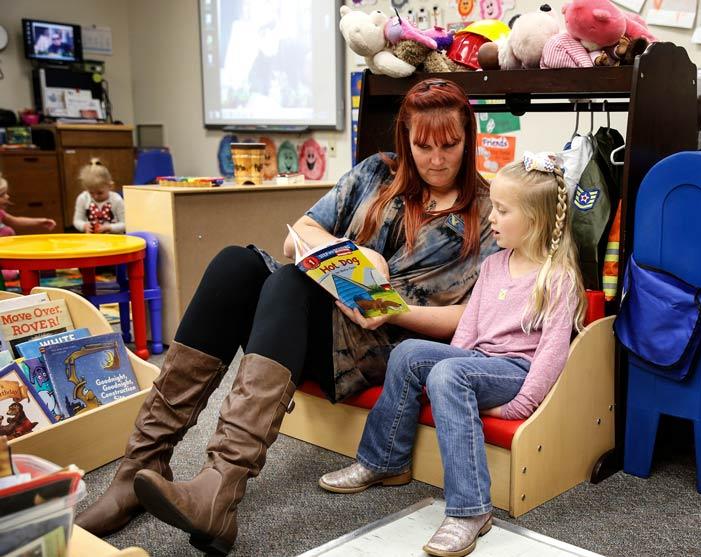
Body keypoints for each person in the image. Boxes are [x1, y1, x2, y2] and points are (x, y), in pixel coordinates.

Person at [76, 78, 498, 556]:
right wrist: (354, 254)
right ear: (406, 140)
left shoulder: (485, 211)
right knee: (235, 264)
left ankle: (221, 484)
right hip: (316, 316)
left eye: (449, 145)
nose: (436, 159)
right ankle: (139, 467)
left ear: (469, 139)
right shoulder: (376, 174)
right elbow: (298, 234)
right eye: (423, 146)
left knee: (287, 283)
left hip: (384, 347)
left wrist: (397, 309)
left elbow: (476, 317)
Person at [319, 152, 587, 557]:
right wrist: (449, 365)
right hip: (476, 362)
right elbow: (467, 333)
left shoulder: (558, 277)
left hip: (514, 370)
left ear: (533, 220)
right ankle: (385, 459)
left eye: (501, 210)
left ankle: (469, 510)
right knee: (408, 353)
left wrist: (518, 406)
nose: (491, 218)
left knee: (447, 376)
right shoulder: (495, 265)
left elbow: (551, 354)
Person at [73, 159, 125, 234]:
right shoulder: (83, 198)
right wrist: (84, 226)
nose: (95, 196)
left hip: (116, 241)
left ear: (110, 186)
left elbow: (125, 224)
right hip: (93, 241)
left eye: (100, 193)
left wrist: (110, 227)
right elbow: (77, 221)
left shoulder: (117, 200)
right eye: (91, 193)